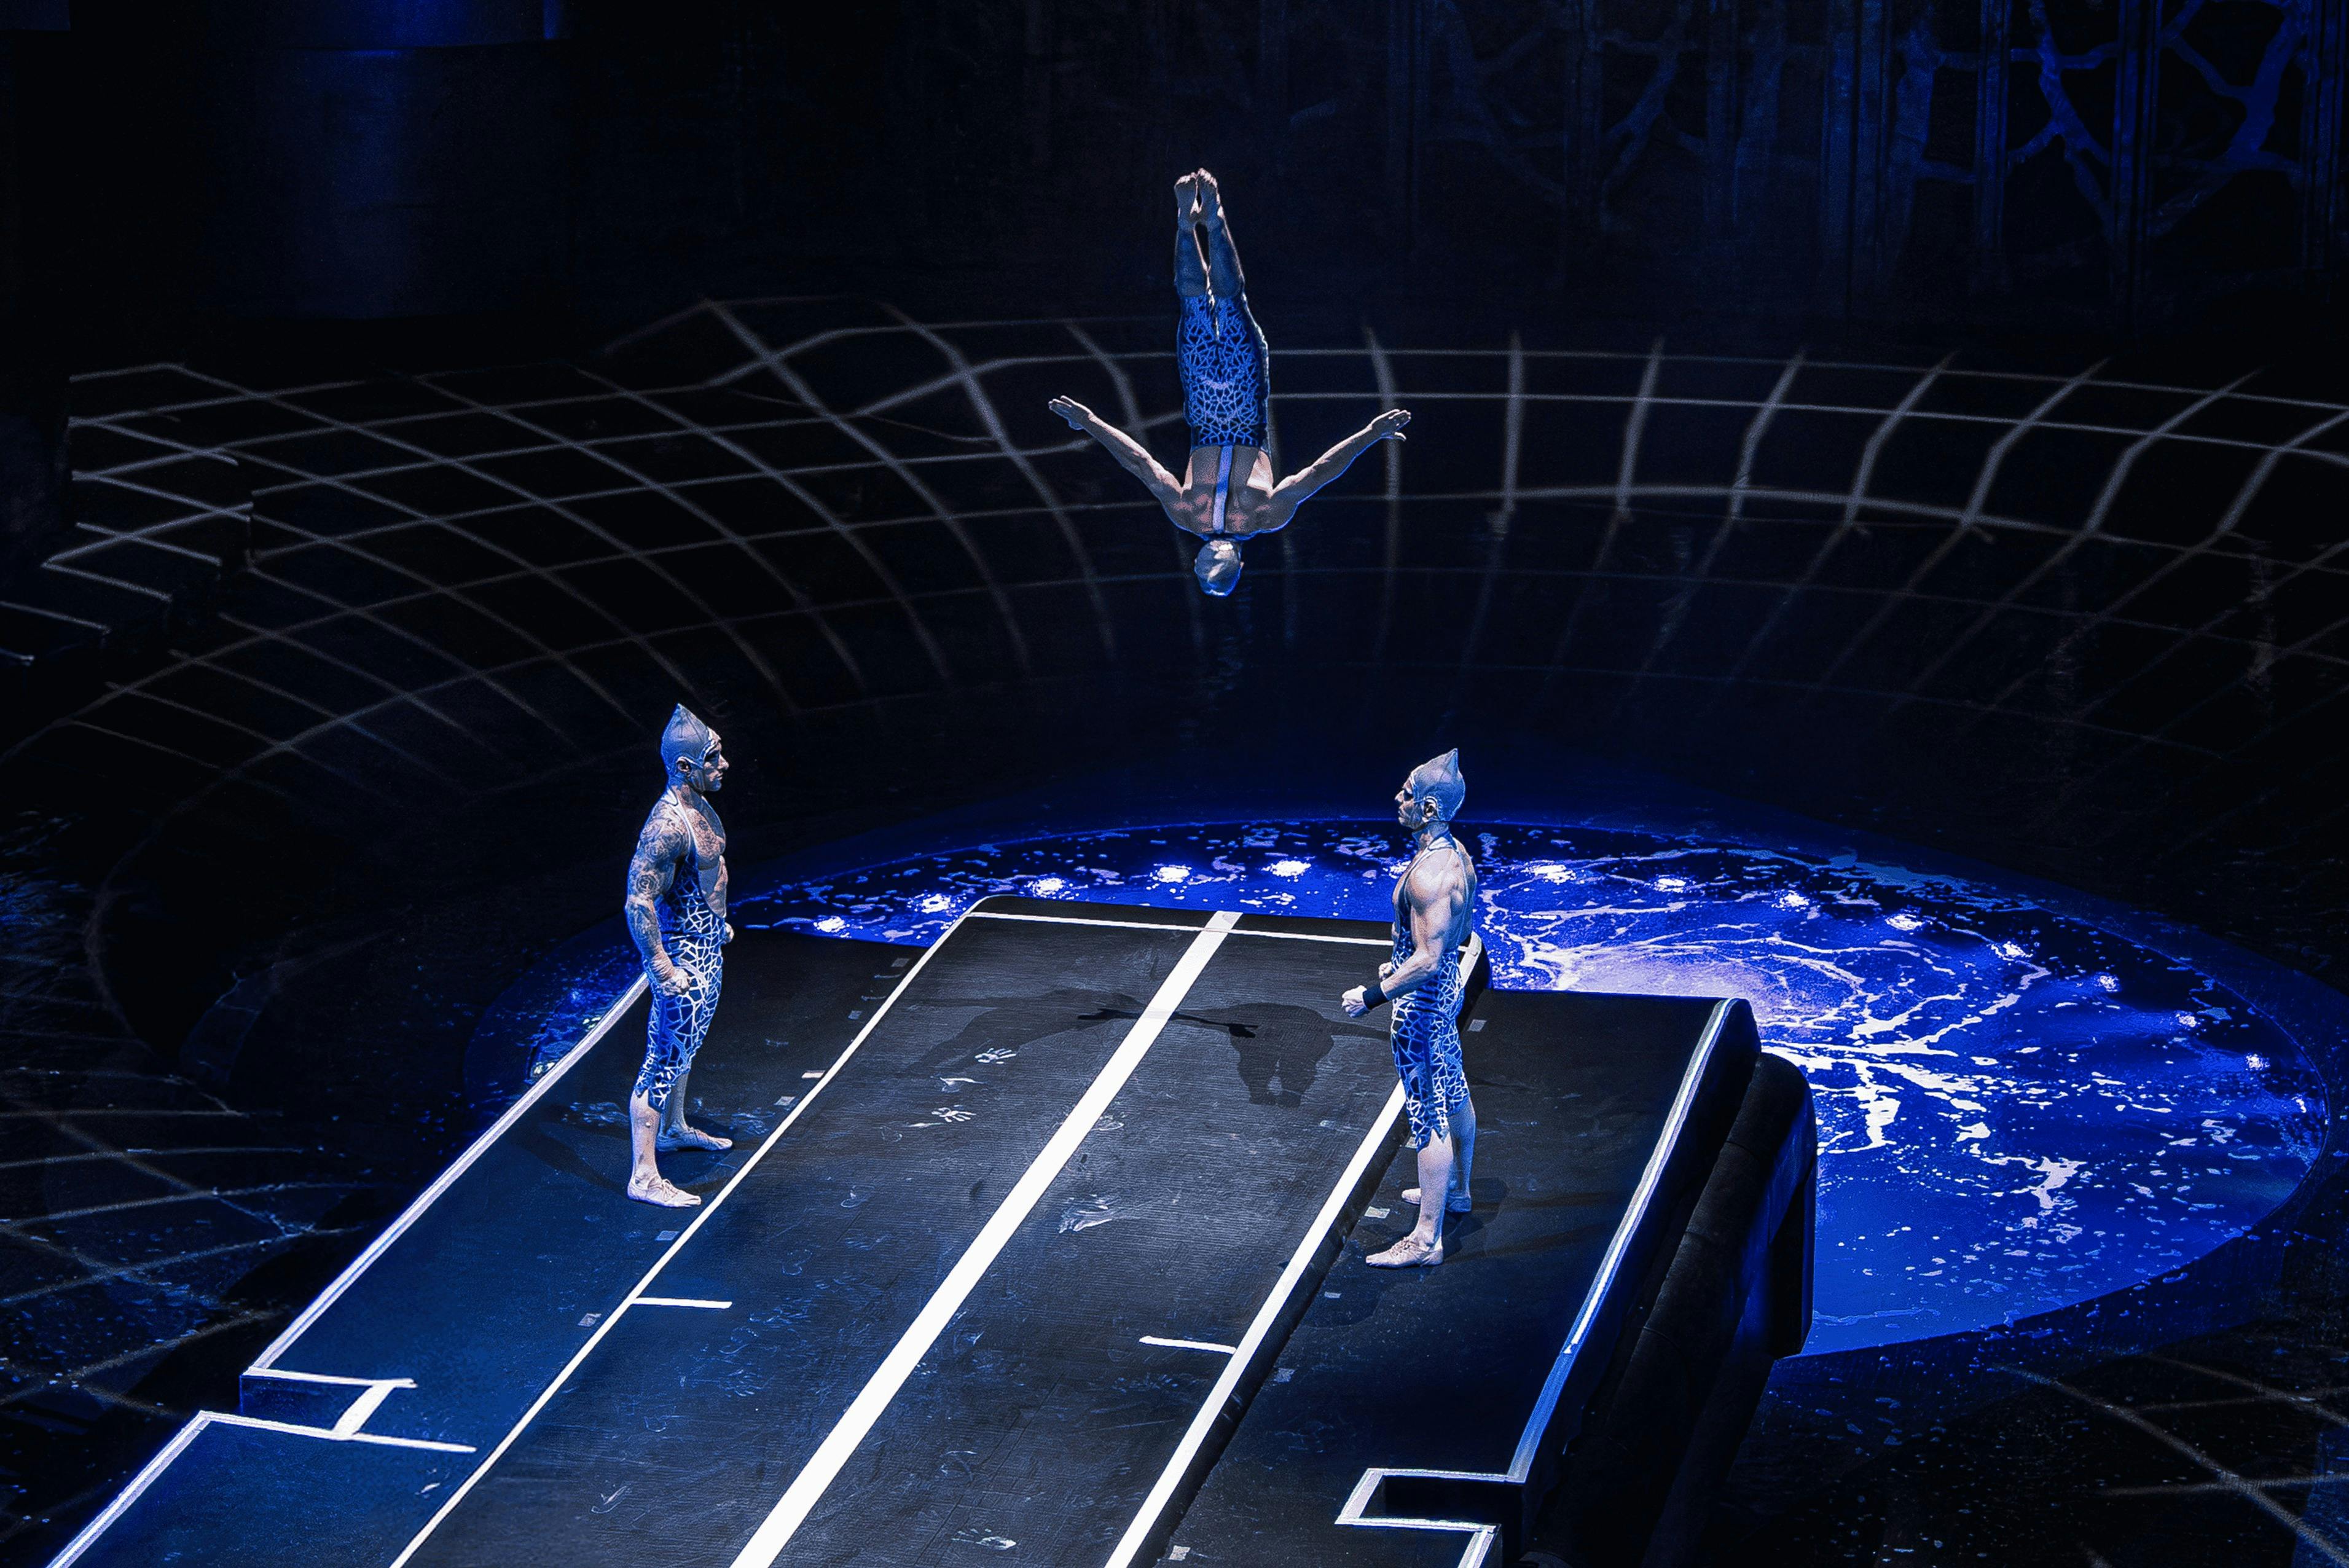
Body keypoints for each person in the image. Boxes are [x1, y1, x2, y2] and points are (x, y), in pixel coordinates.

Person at [1048, 168, 1411, 596]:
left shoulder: (1186, 516)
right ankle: (1215, 221)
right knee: (1230, 303)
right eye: (1213, 571)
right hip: (1243, 402)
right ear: (1236, 563)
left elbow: (1140, 464)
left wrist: (1089, 421)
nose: (1203, 565)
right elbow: (1320, 472)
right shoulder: (1265, 517)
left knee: (1193, 305)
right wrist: (1370, 434)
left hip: (1202, 405)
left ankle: (1185, 225)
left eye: (1200, 571)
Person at [1343, 750, 1479, 1267]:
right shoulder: (1456, 856)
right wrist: (1397, 963)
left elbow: (1428, 957)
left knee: (1428, 1113)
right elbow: (1455, 937)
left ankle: (1425, 1240)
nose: (1395, 800)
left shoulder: (1431, 876)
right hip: (1443, 994)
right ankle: (1458, 1192)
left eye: (1405, 794)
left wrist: (1374, 995)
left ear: (1426, 808)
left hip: (1421, 1005)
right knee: (1454, 1085)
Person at [621, 704, 737, 1207]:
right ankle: (643, 1175)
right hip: (684, 960)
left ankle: (674, 1128)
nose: (724, 764)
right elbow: (638, 900)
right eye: (714, 757)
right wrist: (662, 967)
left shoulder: (699, 805)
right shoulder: (666, 826)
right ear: (686, 766)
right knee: (663, 1059)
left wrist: (717, 925)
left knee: (685, 1049)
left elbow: (703, 879)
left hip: (707, 945)